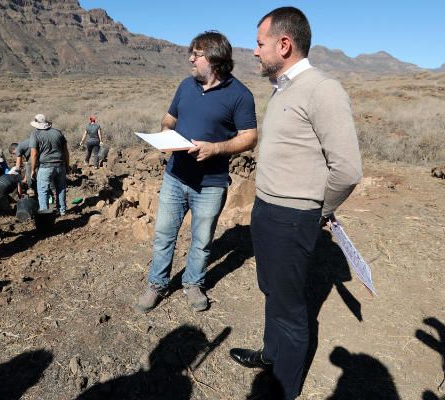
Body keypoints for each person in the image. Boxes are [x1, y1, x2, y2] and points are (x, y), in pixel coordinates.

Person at [228, 7, 363, 400]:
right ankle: (271, 356)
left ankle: (284, 388)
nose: (255, 52)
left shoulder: (323, 90)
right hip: (268, 211)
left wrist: (316, 211)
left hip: (293, 217)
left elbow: (348, 170)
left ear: (284, 44)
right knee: (272, 289)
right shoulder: (285, 88)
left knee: (289, 308)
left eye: (260, 43)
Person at [135, 31, 258, 313]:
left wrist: (215, 149)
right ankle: (157, 283)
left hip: (211, 184)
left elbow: (250, 137)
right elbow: (169, 119)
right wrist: (166, 134)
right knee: (165, 234)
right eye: (192, 52)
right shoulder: (185, 86)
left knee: (202, 241)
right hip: (176, 176)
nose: (191, 58)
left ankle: (193, 283)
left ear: (214, 58)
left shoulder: (240, 95)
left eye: (197, 54)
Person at [29, 114, 69, 215]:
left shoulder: (35, 134)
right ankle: (62, 211)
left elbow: (33, 154)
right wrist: (67, 165)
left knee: (43, 191)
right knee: (61, 189)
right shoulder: (58, 132)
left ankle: (45, 214)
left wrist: (33, 170)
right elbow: (65, 151)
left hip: (45, 166)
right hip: (60, 165)